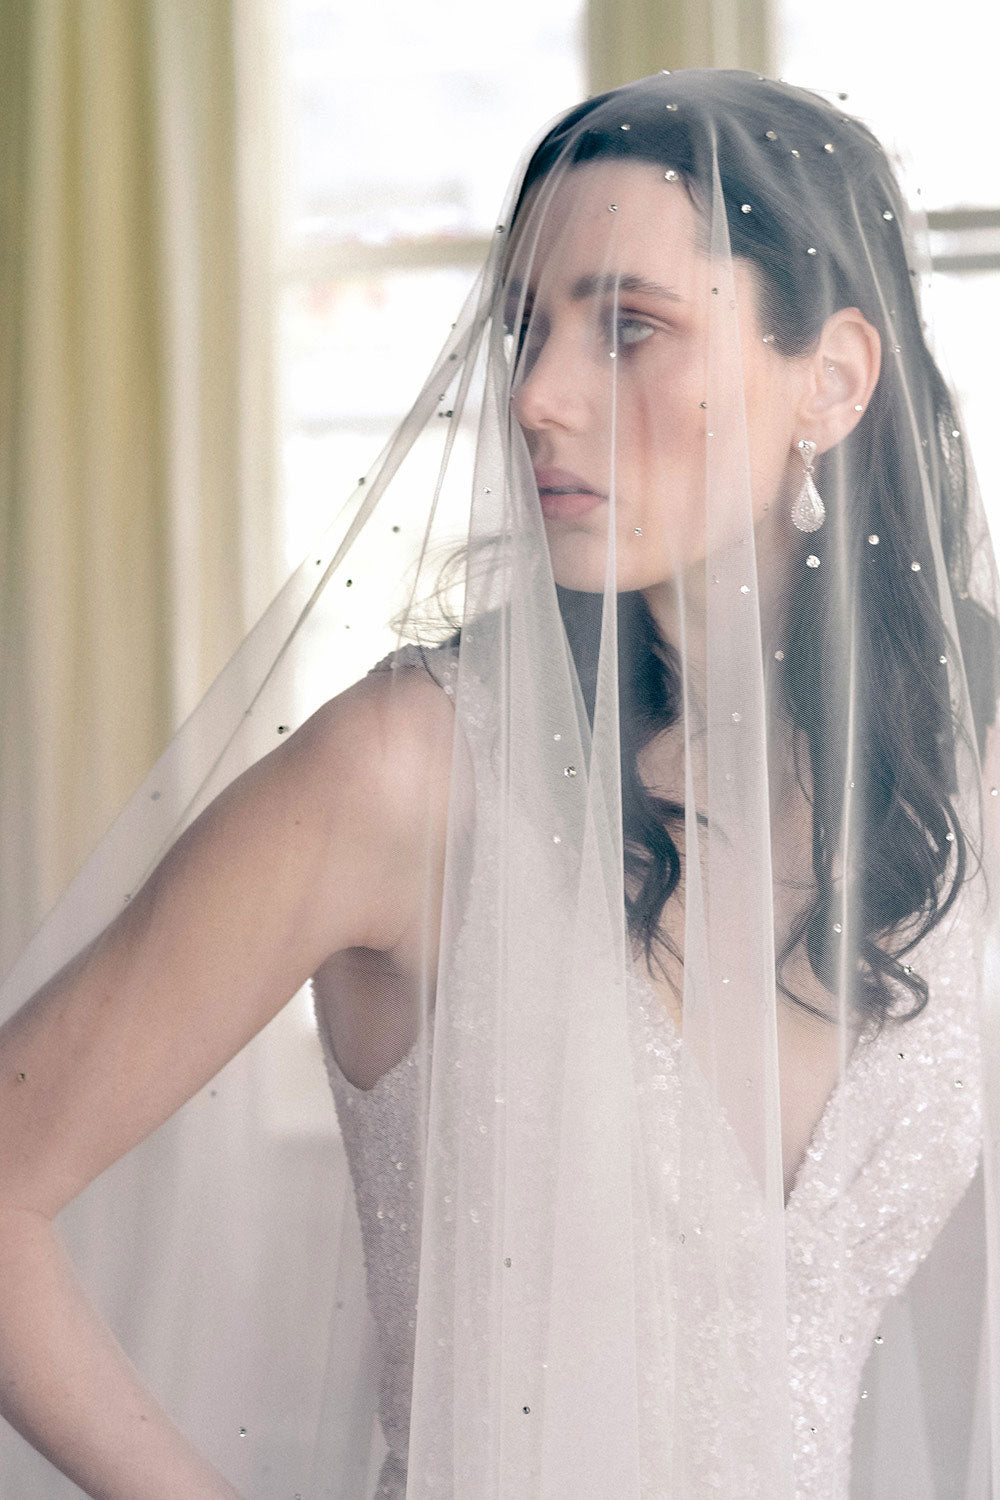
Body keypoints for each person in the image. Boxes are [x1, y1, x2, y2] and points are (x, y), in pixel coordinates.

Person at [0, 67, 997, 1499]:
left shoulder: (965, 771)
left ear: (831, 382)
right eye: (527, 330)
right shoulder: (406, 775)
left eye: (628, 327)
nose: (532, 397)